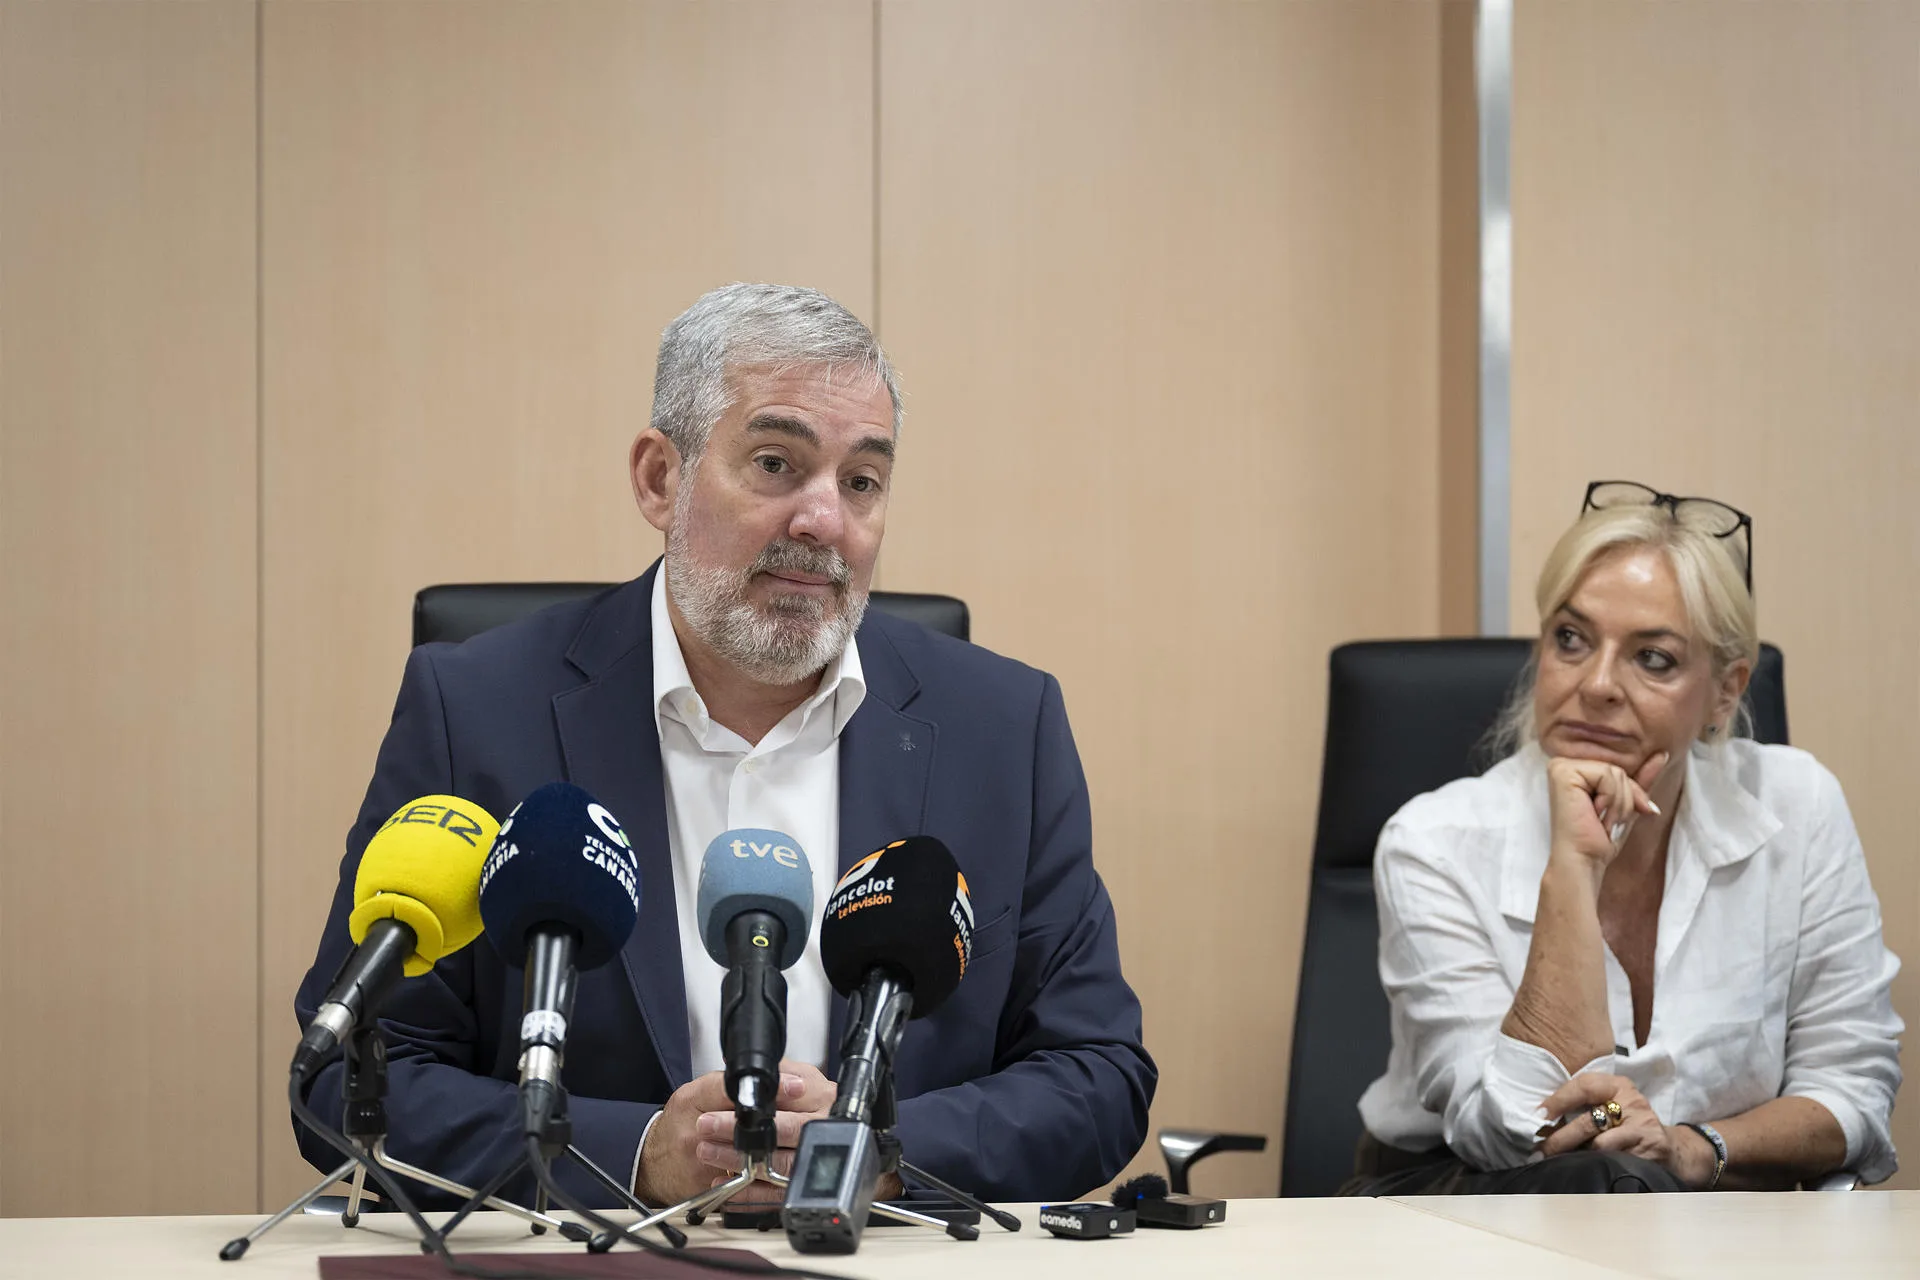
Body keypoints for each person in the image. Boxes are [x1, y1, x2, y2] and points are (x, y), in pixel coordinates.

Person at [293, 283, 1155, 1209]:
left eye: (861, 482)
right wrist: (633, 1156)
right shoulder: (477, 711)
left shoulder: (1003, 728)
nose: (824, 520)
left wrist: (878, 1145)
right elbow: (344, 1074)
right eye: (778, 464)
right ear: (660, 478)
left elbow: (1097, 1073)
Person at [1350, 481, 1901, 1194]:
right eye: (1571, 640)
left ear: (1726, 691)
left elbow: (1854, 1093)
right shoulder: (1433, 841)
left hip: (1713, 1223)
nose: (1598, 684)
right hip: (1470, 1208)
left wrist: (1696, 1147)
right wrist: (1574, 869)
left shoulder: (1799, 804)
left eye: (1654, 658)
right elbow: (1510, 1130)